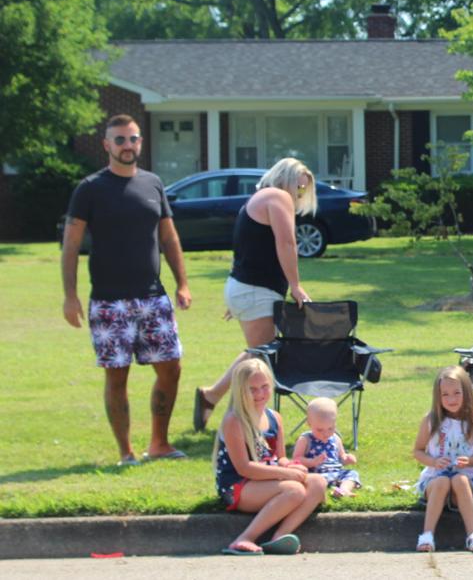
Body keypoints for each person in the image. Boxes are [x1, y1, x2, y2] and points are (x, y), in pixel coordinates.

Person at [61, 114, 191, 466]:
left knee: (171, 367)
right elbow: (71, 244)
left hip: (153, 297)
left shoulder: (153, 184)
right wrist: (70, 295)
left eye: (133, 139)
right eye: (119, 140)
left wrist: (182, 282)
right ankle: (126, 452)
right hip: (109, 302)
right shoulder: (90, 188)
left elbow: (168, 236)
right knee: (117, 375)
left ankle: (159, 443)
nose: (127, 145)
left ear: (140, 142)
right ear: (107, 145)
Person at [194, 158, 317, 430]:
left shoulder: (257, 199)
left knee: (257, 353)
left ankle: (212, 397)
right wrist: (295, 285)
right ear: (283, 179)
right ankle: (240, 421)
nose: (297, 195)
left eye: (302, 190)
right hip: (253, 290)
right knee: (260, 358)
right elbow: (286, 243)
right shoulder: (276, 196)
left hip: (246, 288)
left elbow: (248, 249)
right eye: (297, 187)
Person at [214, 358, 326, 555]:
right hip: (239, 486)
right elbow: (244, 468)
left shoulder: (274, 417)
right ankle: (245, 538)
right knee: (294, 490)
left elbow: (280, 457)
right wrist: (285, 474)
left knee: (317, 483)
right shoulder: (234, 420)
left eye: (264, 387)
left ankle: (280, 537)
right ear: (240, 390)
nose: (260, 394)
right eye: (252, 389)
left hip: (268, 480)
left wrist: (291, 466)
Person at [412, 366, 473, 553]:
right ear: (437, 397)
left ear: (467, 393)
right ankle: (427, 535)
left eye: (457, 393)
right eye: (445, 395)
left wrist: (469, 462)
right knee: (442, 481)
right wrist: (433, 462)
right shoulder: (430, 421)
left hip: (465, 483)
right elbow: (418, 451)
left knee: (459, 479)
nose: (451, 399)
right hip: (435, 480)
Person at [291, 397, 360, 499]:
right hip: (317, 474)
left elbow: (341, 457)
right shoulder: (306, 439)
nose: (326, 433)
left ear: (335, 423)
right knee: (316, 480)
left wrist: (347, 458)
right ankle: (331, 489)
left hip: (336, 473)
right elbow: (296, 459)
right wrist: (312, 462)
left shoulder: (335, 438)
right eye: (320, 429)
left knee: (352, 473)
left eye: (330, 428)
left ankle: (344, 490)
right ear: (309, 423)